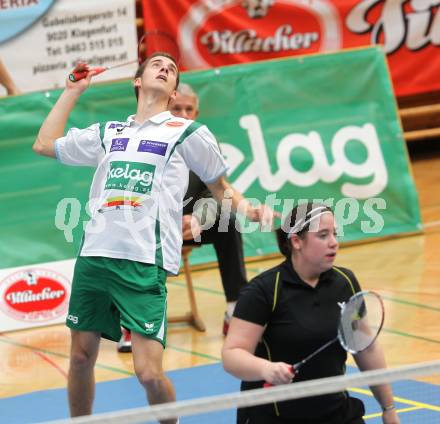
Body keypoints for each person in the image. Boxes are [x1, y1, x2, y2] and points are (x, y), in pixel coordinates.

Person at [32, 54, 274, 423]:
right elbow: (45, 143)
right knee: (81, 357)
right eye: (156, 65)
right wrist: (72, 90)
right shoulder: (108, 133)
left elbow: (219, 186)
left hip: (144, 262)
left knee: (148, 373)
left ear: (173, 89)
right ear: (138, 81)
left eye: (171, 68)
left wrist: (248, 209)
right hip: (95, 255)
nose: (164, 68)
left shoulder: (187, 132)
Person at [222, 202, 400, 424]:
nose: (334, 242)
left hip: (336, 414)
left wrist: (389, 407)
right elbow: (232, 354)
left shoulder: (345, 283)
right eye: (323, 235)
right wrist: (266, 368)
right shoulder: (264, 291)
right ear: (296, 241)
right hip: (275, 417)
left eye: (335, 233)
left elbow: (366, 348)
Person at [117, 83, 247, 352]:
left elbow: (214, 194)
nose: (184, 114)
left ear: (197, 114)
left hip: (189, 225)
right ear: (165, 109)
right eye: (178, 108)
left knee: (229, 223)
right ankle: (133, 322)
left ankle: (235, 311)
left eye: (190, 110)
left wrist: (198, 219)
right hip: (148, 224)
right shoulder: (143, 141)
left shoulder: (203, 145)